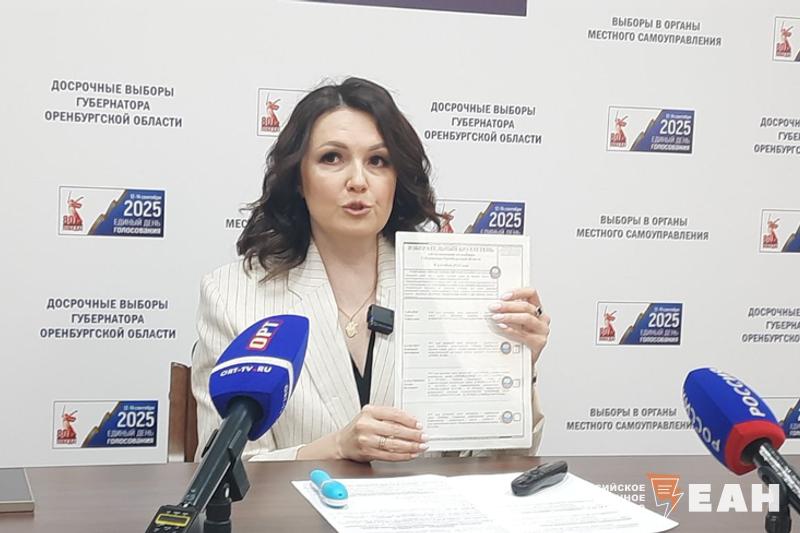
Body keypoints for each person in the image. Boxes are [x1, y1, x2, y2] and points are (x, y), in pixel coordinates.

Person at [191, 77, 551, 462]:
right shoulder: (232, 295)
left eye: (378, 161)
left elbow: (497, 462)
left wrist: (514, 370)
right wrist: (336, 448)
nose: (358, 181)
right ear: (298, 178)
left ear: (397, 178)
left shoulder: (453, 285)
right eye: (332, 158)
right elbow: (223, 471)